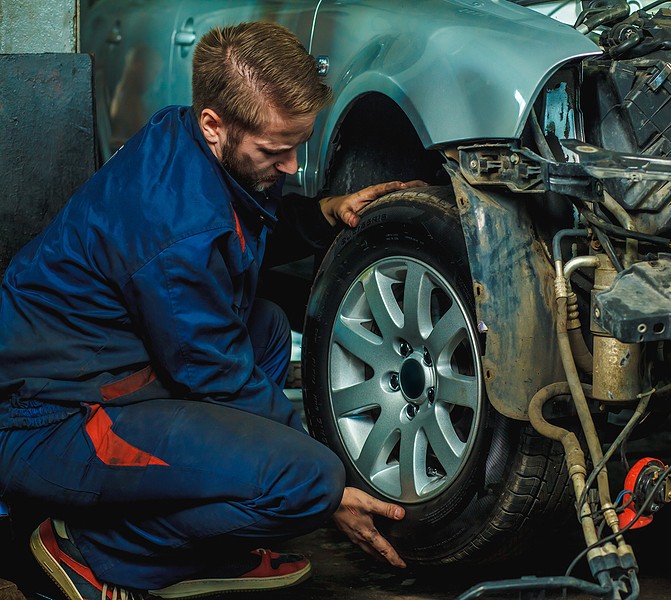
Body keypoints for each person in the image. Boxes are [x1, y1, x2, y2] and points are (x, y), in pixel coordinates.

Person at [0, 20, 425, 600]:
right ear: (214, 125)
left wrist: (318, 214)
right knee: (308, 481)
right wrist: (333, 486)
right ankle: (90, 550)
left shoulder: (191, 143)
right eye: (276, 150)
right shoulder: (176, 228)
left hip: (103, 367)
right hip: (52, 418)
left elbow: (239, 227)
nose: (292, 166)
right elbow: (216, 372)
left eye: (297, 146)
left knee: (269, 329)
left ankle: (202, 530)